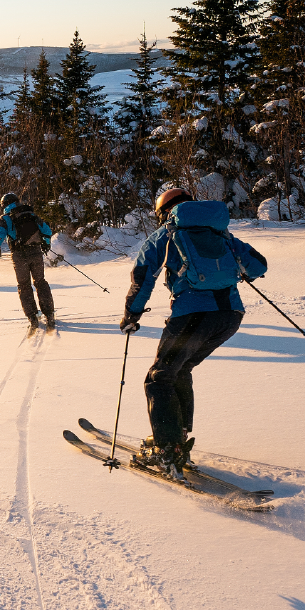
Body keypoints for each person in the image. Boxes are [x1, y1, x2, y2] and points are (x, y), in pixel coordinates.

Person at [120, 188, 268, 479]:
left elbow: (143, 276)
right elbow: (258, 265)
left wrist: (131, 315)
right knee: (180, 369)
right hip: (229, 317)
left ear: (165, 212)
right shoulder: (221, 234)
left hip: (193, 316)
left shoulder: (165, 235)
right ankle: (177, 438)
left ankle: (168, 449)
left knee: (159, 378)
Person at [0, 193, 56, 330]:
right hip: (35, 252)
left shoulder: (5, 218)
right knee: (40, 282)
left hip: (19, 255)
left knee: (24, 285)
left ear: (4, 205)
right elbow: (46, 230)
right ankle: (49, 313)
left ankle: (32, 316)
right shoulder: (30, 213)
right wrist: (46, 243)